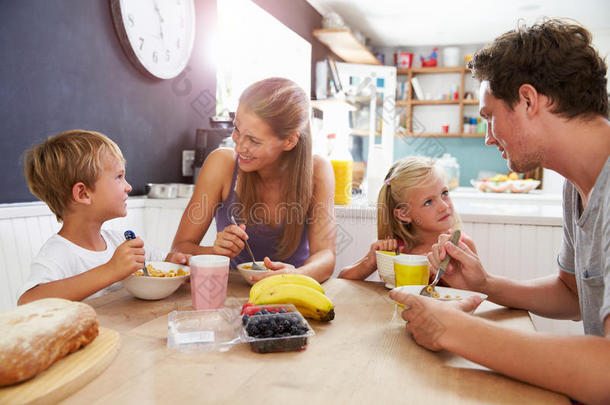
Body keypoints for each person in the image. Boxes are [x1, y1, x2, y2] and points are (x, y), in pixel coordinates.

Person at [390, 19, 610, 404]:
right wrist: (486, 285)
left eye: (489, 116)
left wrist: (454, 330)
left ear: (528, 100)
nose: (488, 136)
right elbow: (573, 294)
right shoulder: (577, 186)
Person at [171, 77, 336, 283]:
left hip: (292, 291)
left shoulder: (318, 171)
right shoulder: (222, 164)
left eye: (254, 140)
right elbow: (179, 249)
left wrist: (295, 276)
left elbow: (326, 256)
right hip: (228, 291)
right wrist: (215, 251)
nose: (239, 146)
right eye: (237, 129)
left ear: (289, 141)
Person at [18, 130, 187, 304]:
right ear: (83, 193)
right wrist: (110, 270)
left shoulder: (119, 240)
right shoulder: (58, 253)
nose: (128, 187)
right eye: (119, 177)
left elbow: (161, 261)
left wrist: (174, 261)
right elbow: (27, 302)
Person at [338, 156, 475, 280]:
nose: (444, 206)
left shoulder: (461, 246)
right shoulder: (395, 251)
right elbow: (342, 280)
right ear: (404, 214)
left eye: (444, 193)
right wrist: (370, 261)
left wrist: (449, 277)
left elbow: (477, 291)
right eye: (428, 202)